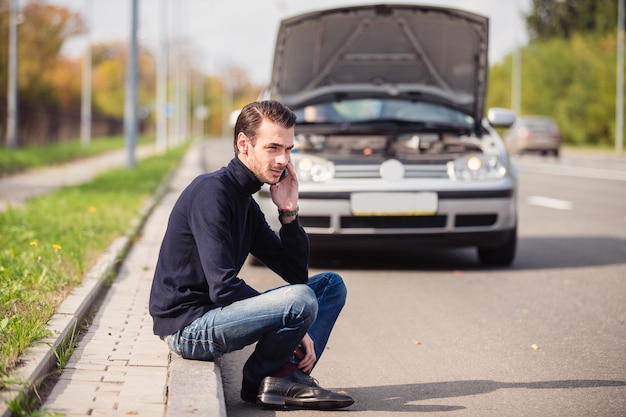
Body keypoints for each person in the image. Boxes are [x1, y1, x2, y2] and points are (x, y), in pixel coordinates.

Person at [149, 100, 354, 410]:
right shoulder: (212, 193)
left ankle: (279, 380)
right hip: (188, 328)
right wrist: (290, 316)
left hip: (216, 315)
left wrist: (288, 213)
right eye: (273, 147)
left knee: (329, 286)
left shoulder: (246, 204)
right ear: (244, 144)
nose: (283, 159)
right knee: (299, 301)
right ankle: (268, 378)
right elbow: (223, 287)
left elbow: (295, 274)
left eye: (288, 149)